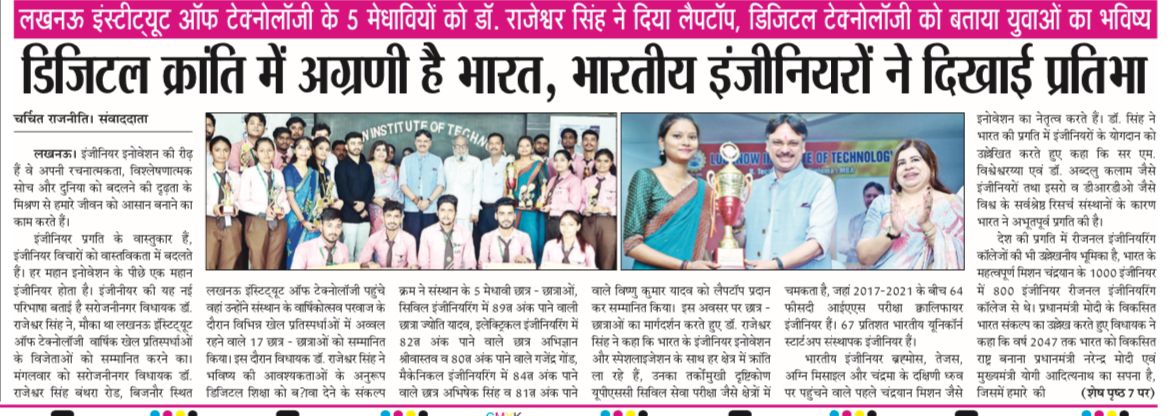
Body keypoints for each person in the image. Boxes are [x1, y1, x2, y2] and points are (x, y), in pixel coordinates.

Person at [741, 114, 837, 270]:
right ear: (767, 146)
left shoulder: (821, 185)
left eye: (793, 143)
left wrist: (775, 265)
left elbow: (818, 244)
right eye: (777, 142)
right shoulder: (751, 188)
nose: (785, 150)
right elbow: (741, 242)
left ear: (803, 147)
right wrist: (737, 226)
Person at [623, 114, 718, 270]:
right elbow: (631, 244)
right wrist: (685, 266)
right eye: (677, 136)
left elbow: (698, 245)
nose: (686, 142)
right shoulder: (646, 178)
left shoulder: (705, 189)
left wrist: (712, 266)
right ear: (662, 142)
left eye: (692, 137)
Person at [857, 139, 964, 269]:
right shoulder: (882, 203)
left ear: (931, 165)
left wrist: (927, 226)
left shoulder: (951, 204)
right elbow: (864, 257)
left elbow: (963, 255)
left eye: (915, 160)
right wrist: (893, 231)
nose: (908, 166)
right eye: (901, 163)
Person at [238, 137, 290, 269]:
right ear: (255, 153)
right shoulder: (248, 173)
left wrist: (283, 209)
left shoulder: (278, 174)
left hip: (278, 221)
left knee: (274, 263)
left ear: (274, 152)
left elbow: (283, 198)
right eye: (262, 150)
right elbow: (242, 202)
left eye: (269, 150)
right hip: (257, 221)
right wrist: (264, 209)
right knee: (257, 262)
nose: (266, 154)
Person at [399, 129, 446, 241]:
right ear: (415, 142)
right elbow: (402, 184)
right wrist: (417, 201)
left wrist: (428, 201)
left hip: (431, 209)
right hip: (411, 208)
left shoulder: (437, 160)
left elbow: (441, 185)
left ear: (430, 143)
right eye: (419, 140)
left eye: (425, 141)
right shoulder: (406, 160)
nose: (422, 143)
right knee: (411, 240)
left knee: (431, 241)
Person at [283, 137, 322, 269]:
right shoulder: (288, 170)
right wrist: (302, 221)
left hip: (312, 221)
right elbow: (291, 198)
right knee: (294, 256)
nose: (304, 151)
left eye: (307, 148)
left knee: (312, 258)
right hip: (294, 221)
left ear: (311, 152)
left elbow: (317, 197)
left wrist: (318, 217)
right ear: (294, 150)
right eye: (300, 147)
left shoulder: (314, 173)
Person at [335, 132, 375, 261]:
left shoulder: (367, 167)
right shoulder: (341, 166)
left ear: (362, 145)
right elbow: (342, 190)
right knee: (347, 253)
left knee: (362, 253)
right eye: (353, 143)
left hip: (364, 216)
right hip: (348, 216)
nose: (356, 146)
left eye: (359, 143)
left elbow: (371, 188)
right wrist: (355, 205)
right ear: (347, 146)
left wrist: (364, 204)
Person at [206, 136, 242, 270]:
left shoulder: (235, 177)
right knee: (208, 260)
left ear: (230, 152)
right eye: (217, 150)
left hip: (231, 222)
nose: (222, 154)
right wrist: (213, 208)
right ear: (210, 152)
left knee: (230, 261)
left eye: (226, 150)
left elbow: (239, 199)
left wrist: (236, 207)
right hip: (209, 221)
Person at [511, 135, 548, 264]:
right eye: (521, 146)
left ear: (532, 148)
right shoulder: (511, 165)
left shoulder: (538, 165)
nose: (524, 148)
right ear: (517, 149)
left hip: (531, 211)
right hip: (513, 210)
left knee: (531, 239)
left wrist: (541, 201)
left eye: (527, 145)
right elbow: (507, 188)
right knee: (513, 242)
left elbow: (544, 185)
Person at [476, 133, 513, 254]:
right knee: (482, 241)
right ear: (487, 146)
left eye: (497, 143)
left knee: (499, 242)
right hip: (483, 209)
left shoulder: (509, 163)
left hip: (500, 210)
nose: (494, 146)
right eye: (491, 143)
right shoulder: (481, 164)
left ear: (503, 146)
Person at [582, 148, 617, 270]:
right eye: (599, 161)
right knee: (588, 253)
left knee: (607, 254)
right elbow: (581, 202)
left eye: (606, 161)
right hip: (588, 221)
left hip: (607, 220)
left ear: (611, 162)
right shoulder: (587, 181)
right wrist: (583, 209)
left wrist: (609, 209)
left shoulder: (615, 181)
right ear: (594, 162)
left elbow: (621, 204)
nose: (602, 164)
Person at [418, 195, 476, 269]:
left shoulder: (465, 234)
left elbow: (470, 263)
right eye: (442, 210)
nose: (446, 215)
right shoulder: (427, 233)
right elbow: (423, 264)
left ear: (456, 213)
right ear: (437, 212)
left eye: (450, 210)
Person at [358, 200, 419, 269]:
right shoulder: (374, 237)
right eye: (388, 216)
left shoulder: (409, 239)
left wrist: (412, 267)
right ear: (383, 218)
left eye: (396, 216)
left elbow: (413, 265)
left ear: (401, 219)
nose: (392, 220)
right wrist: (370, 265)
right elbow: (362, 262)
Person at [541, 149, 585, 242]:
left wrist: (552, 207)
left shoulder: (574, 181)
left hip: (564, 222)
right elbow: (546, 197)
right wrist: (541, 202)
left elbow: (575, 206)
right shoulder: (553, 179)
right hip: (549, 220)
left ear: (569, 162)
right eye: (556, 160)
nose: (558, 163)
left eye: (562, 160)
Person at [478, 197, 533, 267]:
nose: (506, 218)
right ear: (496, 216)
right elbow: (481, 265)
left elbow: (531, 263)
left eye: (509, 213)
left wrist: (526, 260)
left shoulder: (524, 237)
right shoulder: (487, 238)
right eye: (502, 213)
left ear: (514, 216)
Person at [443, 134, 482, 233]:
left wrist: (475, 211)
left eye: (463, 146)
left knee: (465, 241)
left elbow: (478, 188)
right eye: (457, 146)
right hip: (448, 211)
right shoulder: (447, 162)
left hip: (466, 212)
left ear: (467, 147)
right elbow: (443, 187)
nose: (460, 149)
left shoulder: (475, 162)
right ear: (453, 148)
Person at [842, 182, 885, 265]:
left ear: (883, 198)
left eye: (876, 196)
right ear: (864, 198)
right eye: (868, 196)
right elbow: (843, 246)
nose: (872, 199)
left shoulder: (890, 220)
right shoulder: (854, 221)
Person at [368, 140, 402, 235]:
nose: (381, 152)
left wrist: (394, 204)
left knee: (392, 237)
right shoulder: (366, 167)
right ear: (373, 152)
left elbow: (397, 189)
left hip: (392, 208)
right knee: (377, 237)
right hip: (374, 207)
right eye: (378, 149)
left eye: (384, 150)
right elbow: (362, 189)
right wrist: (375, 200)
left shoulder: (393, 168)